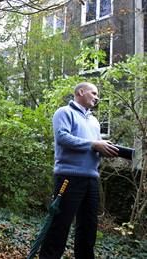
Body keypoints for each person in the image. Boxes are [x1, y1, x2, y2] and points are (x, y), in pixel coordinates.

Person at [39, 82, 119, 259]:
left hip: (91, 179)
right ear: (80, 92)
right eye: (94, 93)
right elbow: (62, 137)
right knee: (60, 225)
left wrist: (105, 150)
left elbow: (94, 147)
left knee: (88, 228)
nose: (97, 97)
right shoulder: (64, 112)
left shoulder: (94, 121)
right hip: (68, 177)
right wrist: (93, 144)